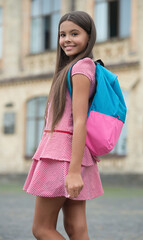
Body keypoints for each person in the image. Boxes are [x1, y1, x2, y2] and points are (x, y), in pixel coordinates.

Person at [23, 11, 104, 240]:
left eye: (74, 33)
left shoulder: (80, 68)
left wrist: (74, 171)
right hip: (73, 155)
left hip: (63, 156)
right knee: (75, 227)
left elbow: (80, 121)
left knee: (42, 228)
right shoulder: (78, 68)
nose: (67, 39)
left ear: (89, 37)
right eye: (62, 34)